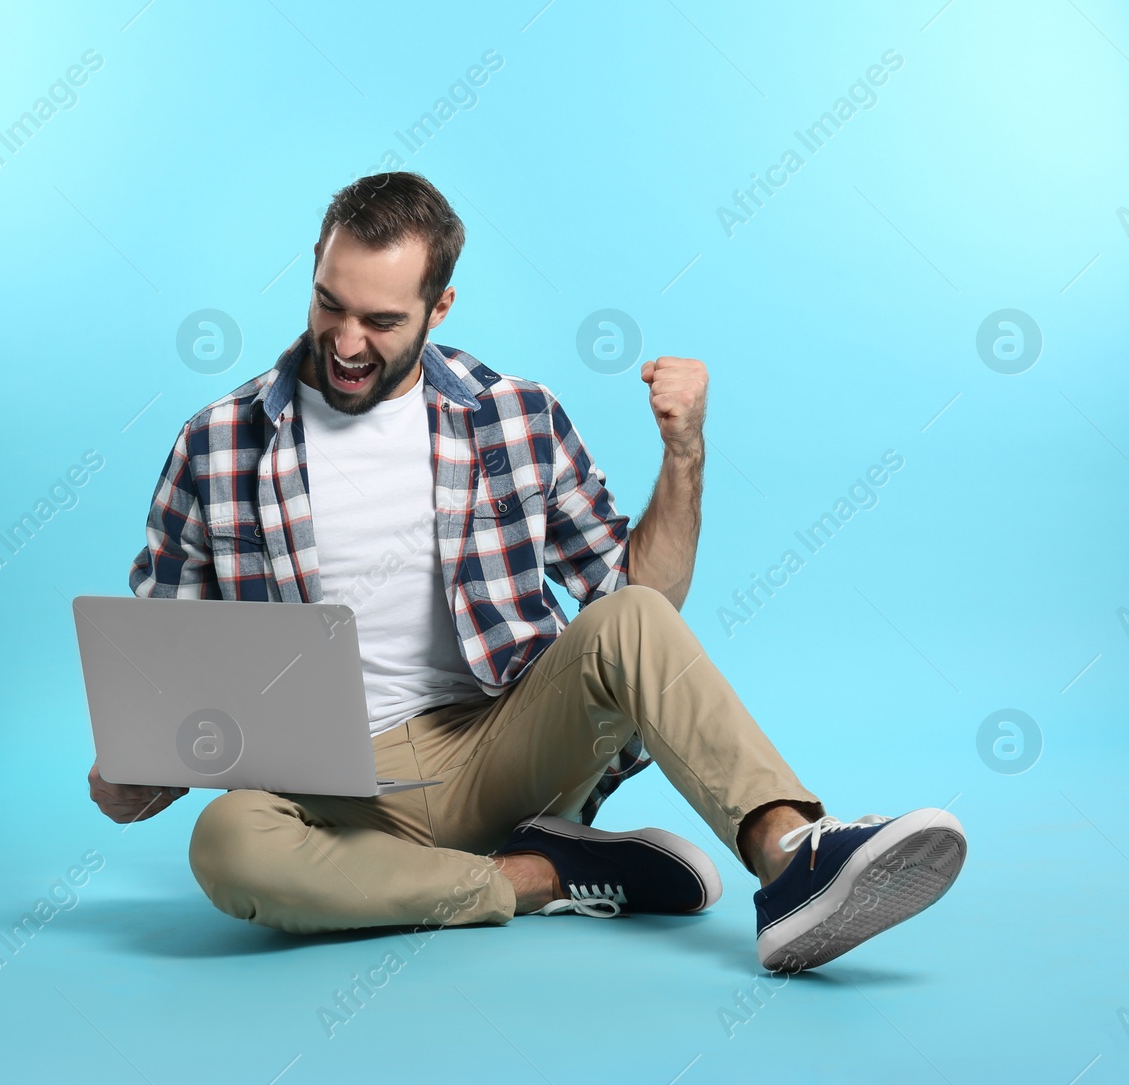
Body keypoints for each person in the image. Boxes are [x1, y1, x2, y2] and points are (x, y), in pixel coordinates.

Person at [88, 171, 965, 972]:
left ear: (439, 309)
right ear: (315, 274)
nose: (347, 341)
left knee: (629, 619)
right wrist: (133, 772)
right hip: (323, 789)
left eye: (382, 321)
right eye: (329, 305)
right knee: (225, 846)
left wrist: (685, 453)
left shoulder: (516, 415)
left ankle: (792, 858)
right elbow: (171, 675)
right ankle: (548, 873)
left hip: (495, 744)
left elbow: (641, 609)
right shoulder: (220, 441)